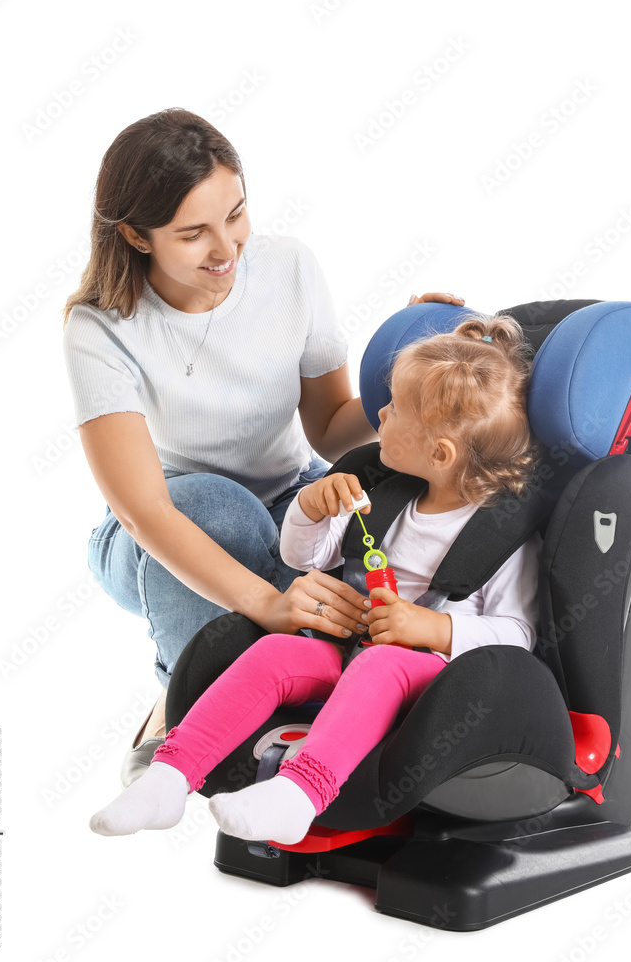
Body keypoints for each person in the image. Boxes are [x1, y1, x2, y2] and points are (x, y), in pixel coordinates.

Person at [61, 107, 463, 783]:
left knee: (374, 556)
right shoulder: (99, 328)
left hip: (287, 504)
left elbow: (332, 426)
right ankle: (180, 703)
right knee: (218, 509)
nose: (226, 250)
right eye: (193, 234)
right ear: (135, 235)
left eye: (236, 216)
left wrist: (418, 365)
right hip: (155, 538)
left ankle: (304, 712)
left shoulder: (289, 268)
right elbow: (145, 512)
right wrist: (270, 603)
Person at [88, 313, 543, 843]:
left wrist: (432, 629)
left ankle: (299, 794)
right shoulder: (388, 493)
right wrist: (310, 508)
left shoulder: (504, 537)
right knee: (276, 653)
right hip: (348, 648)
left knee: (380, 666)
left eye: (395, 409)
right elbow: (304, 557)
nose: (381, 413)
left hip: (432, 679)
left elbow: (519, 635)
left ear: (440, 452)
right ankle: (170, 776)